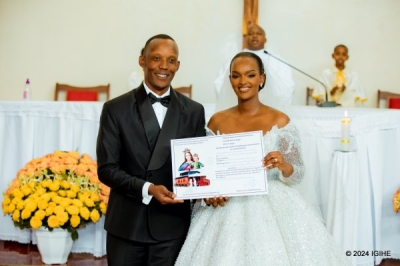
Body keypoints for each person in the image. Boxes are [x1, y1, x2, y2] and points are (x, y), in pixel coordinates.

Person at [175, 52, 351, 266]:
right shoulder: (216, 121)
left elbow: (298, 174)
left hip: (271, 203)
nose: (243, 82)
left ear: (262, 79)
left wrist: (284, 164)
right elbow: (206, 171)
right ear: (230, 79)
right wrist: (210, 193)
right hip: (225, 208)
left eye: (250, 75)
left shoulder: (279, 120)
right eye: (236, 76)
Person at [96, 34, 206, 266]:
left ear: (178, 65)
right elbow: (107, 169)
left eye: (171, 60)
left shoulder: (194, 111)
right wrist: (148, 188)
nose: (164, 66)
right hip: (126, 225)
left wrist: (213, 189)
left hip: (171, 226)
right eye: (156, 58)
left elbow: (198, 167)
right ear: (142, 61)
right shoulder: (115, 109)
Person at [214, 24, 295, 111]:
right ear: (245, 38)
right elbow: (220, 84)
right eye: (251, 33)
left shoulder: (278, 61)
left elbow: (287, 85)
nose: (254, 36)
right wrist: (244, 95)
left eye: (259, 33)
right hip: (239, 107)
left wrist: (265, 96)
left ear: (265, 39)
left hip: (271, 108)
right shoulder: (233, 60)